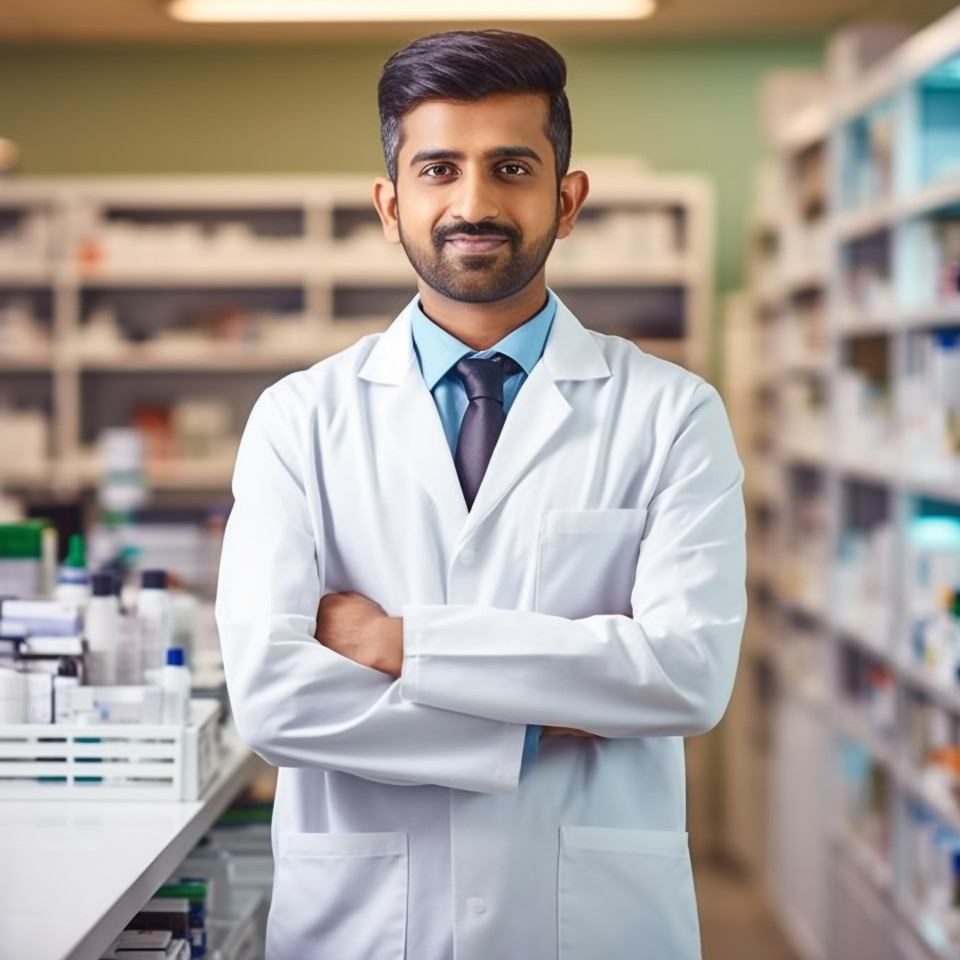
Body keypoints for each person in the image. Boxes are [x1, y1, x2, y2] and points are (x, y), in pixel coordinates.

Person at [216, 28, 746, 960]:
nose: (473, 202)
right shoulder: (298, 418)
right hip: (367, 920)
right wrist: (544, 721)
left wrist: (396, 643)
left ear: (567, 199)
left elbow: (686, 675)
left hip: (590, 921)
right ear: (389, 204)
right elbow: (273, 700)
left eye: (510, 166)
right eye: (437, 169)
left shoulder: (671, 413)